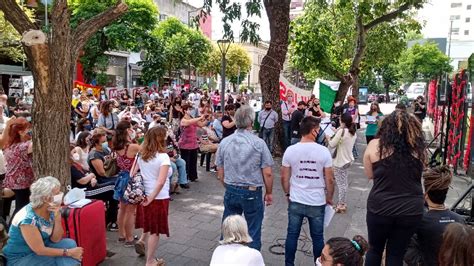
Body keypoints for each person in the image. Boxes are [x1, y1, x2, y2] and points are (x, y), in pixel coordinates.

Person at [363, 111, 426, 266]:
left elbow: (370, 175)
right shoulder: (419, 150)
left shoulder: (374, 145)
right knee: (396, 253)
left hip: (380, 207)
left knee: (375, 250)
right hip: (411, 210)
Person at [216, 105, 274, 251]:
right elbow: (267, 172)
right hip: (252, 191)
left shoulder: (225, 142)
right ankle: (252, 257)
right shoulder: (259, 143)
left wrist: (227, 185)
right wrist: (269, 192)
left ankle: (224, 256)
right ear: (250, 122)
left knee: (229, 227)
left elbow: (220, 172)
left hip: (231, 189)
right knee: (253, 229)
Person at [281, 116, 335, 265]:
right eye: (318, 130)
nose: (319, 133)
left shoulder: (290, 150)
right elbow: (330, 179)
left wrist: (287, 193)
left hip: (296, 198)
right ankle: (319, 264)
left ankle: (289, 264)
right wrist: (329, 197)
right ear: (313, 131)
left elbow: (284, 177)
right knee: (317, 237)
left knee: (292, 235)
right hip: (317, 200)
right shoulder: (323, 151)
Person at [3, 176, 83, 265]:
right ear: (46, 198)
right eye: (57, 193)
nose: (61, 194)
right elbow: (40, 250)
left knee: (69, 244)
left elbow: (55, 239)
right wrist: (68, 252)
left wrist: (57, 218)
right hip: (21, 257)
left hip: (42, 246)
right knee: (59, 258)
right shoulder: (28, 220)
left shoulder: (50, 208)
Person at [405, 166, 465, 266]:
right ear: (446, 193)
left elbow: (408, 251)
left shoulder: (418, 221)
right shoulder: (460, 220)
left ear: (426, 195)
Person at [134, 127, 172, 266]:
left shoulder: (141, 154)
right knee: (155, 231)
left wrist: (147, 197)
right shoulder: (163, 157)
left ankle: (143, 241)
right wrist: (151, 197)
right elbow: (161, 182)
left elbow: (133, 174)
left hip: (144, 194)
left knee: (149, 224)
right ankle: (150, 261)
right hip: (158, 197)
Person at [112, 121, 141, 247]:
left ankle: (121, 235)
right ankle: (129, 238)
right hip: (131, 179)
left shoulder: (117, 145)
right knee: (130, 210)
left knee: (122, 208)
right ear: (127, 131)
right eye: (130, 128)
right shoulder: (132, 146)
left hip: (121, 177)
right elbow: (146, 150)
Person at [2, 117, 34, 220]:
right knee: (21, 208)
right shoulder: (23, 147)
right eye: (26, 129)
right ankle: (12, 230)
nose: (28, 131)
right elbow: (36, 143)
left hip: (12, 181)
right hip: (22, 183)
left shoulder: (9, 146)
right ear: (20, 132)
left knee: (19, 207)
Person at [87, 129, 119, 231]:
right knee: (115, 186)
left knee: (120, 181)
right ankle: (111, 220)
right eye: (104, 135)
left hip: (108, 176)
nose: (106, 137)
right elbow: (101, 173)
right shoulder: (94, 155)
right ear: (99, 139)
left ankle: (113, 218)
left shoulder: (105, 150)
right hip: (100, 180)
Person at [328, 113, 357, 213]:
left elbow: (332, 144)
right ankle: (343, 203)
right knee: (344, 183)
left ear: (343, 121)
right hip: (348, 160)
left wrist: (328, 138)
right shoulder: (352, 132)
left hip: (340, 161)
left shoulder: (341, 131)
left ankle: (341, 205)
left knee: (341, 184)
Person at [178, 104, 206, 182]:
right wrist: (200, 117)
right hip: (185, 144)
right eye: (189, 109)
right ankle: (184, 179)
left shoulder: (193, 119)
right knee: (186, 162)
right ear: (185, 111)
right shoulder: (183, 120)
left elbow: (201, 124)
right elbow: (188, 123)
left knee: (193, 162)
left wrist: (207, 118)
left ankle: (192, 177)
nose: (191, 111)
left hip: (193, 143)